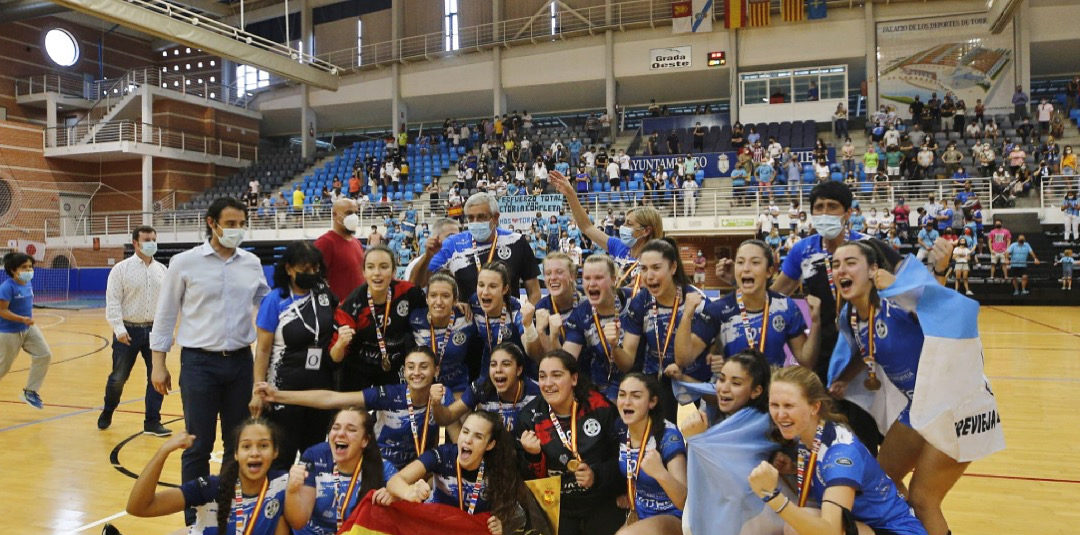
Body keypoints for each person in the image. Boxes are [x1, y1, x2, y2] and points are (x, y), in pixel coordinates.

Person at [826, 241, 1002, 535]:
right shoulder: (850, 317)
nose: (841, 269)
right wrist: (844, 377)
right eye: (835, 264)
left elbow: (943, 312)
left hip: (955, 404)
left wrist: (939, 271)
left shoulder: (900, 301)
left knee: (923, 499)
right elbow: (865, 349)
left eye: (850, 262)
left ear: (873, 270)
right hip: (919, 405)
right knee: (883, 481)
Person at [150, 197, 271, 522]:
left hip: (240, 364)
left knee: (239, 442)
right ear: (212, 223)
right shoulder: (184, 263)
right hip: (198, 364)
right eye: (231, 224)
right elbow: (165, 315)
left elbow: (267, 303)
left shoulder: (251, 263)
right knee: (197, 444)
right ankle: (195, 518)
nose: (237, 230)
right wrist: (158, 363)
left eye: (241, 224)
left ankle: (234, 512)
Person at [747, 366, 928, 535]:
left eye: (788, 406)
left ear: (814, 407)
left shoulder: (841, 454)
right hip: (869, 527)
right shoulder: (814, 436)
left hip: (896, 531)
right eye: (774, 405)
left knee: (798, 527)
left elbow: (830, 531)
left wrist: (772, 496)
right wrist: (794, 469)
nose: (780, 414)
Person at [256, 347, 454, 470]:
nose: (416, 373)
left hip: (419, 471)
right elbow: (332, 399)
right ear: (404, 370)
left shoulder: (444, 395)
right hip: (379, 469)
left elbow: (455, 435)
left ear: (436, 370)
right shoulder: (389, 394)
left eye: (424, 367)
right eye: (411, 367)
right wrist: (277, 395)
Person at [125, 419, 307, 534]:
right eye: (246, 446)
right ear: (235, 453)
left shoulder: (282, 484)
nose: (254, 453)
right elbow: (139, 507)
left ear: (275, 452)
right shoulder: (210, 488)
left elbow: (300, 523)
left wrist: (293, 490)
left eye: (263, 446)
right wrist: (162, 452)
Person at [515, 350, 624, 535]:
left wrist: (596, 475)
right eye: (542, 376)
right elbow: (530, 481)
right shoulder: (529, 417)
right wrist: (532, 457)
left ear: (574, 379)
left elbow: (622, 457)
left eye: (556, 375)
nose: (548, 383)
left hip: (600, 500)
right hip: (558, 506)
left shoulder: (599, 407)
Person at [251, 242, 338, 470]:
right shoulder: (275, 300)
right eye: (304, 268)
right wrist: (257, 391)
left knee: (316, 454)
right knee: (282, 455)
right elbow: (262, 350)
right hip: (282, 390)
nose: (310, 274)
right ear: (289, 269)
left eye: (314, 269)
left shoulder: (324, 295)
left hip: (319, 389)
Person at [676, 240, 815, 371]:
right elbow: (683, 359)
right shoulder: (717, 310)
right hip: (732, 392)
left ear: (769, 271)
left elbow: (806, 360)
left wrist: (816, 322)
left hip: (771, 392)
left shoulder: (785, 307)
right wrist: (687, 314)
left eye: (755, 262)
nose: (746, 269)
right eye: (740, 262)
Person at [615, 238, 711, 423]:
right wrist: (613, 346)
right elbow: (628, 358)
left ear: (673, 267)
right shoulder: (641, 302)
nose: (649, 275)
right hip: (656, 379)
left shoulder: (697, 302)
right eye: (643, 268)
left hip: (693, 380)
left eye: (656, 268)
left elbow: (694, 354)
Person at [388, 411, 526, 535]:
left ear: (489, 445)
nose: (467, 440)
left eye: (478, 436)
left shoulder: (498, 468)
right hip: (436, 527)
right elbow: (395, 480)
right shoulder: (442, 455)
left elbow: (518, 517)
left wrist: (502, 526)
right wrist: (408, 492)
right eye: (465, 432)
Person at [98, 226, 168, 433]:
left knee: (157, 376)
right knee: (118, 377)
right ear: (135, 243)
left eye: (154, 239)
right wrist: (118, 329)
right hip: (127, 332)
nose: (152, 243)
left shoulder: (162, 271)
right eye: (147, 239)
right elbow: (113, 302)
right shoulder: (121, 269)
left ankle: (152, 422)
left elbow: (167, 305)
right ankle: (108, 410)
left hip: (154, 331)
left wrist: (166, 331)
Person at [549, 170, 664, 296]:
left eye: (629, 224)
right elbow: (586, 227)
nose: (623, 227)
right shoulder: (619, 246)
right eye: (625, 222)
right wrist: (570, 194)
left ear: (646, 230)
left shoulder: (659, 259)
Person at [415, 193, 541, 304]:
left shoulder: (516, 241)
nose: (475, 222)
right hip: (467, 325)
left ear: (495, 218)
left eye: (481, 217)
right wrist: (427, 257)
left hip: (507, 324)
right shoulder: (452, 244)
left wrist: (525, 320)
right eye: (470, 218)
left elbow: (534, 292)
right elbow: (420, 283)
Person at [331, 245, 426, 390]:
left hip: (395, 366)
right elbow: (335, 357)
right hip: (358, 369)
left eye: (384, 267)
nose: (377, 273)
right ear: (363, 272)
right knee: (350, 411)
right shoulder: (350, 306)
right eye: (370, 267)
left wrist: (457, 305)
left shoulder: (408, 292)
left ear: (394, 271)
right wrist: (340, 344)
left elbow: (434, 308)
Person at [293, 408, 397, 535]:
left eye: (351, 429)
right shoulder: (315, 456)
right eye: (336, 428)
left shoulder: (382, 466)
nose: (341, 433)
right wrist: (291, 491)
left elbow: (404, 492)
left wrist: (395, 495)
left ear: (365, 440)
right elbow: (298, 521)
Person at [615, 373, 687, 534]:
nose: (627, 402)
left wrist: (660, 473)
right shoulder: (620, 428)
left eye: (636, 396)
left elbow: (684, 501)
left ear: (652, 402)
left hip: (673, 516)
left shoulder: (668, 436)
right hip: (640, 513)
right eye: (622, 395)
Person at [561, 255, 632, 401]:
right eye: (587, 278)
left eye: (598, 278)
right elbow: (567, 359)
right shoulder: (580, 314)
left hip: (636, 388)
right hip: (599, 394)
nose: (591, 284)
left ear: (614, 279)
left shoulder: (633, 302)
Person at [431, 342, 540, 436]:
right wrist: (436, 404)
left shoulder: (537, 391)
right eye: (493, 364)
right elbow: (446, 417)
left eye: (506, 364)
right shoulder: (481, 387)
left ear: (519, 370)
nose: (498, 370)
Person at [410, 272, 476, 405]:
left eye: (445, 296)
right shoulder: (414, 320)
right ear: (427, 298)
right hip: (424, 387)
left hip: (458, 386)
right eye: (433, 295)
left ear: (455, 300)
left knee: (460, 422)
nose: (438, 302)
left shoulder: (467, 319)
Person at [472, 262, 543, 376]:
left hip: (518, 376)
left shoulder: (516, 309)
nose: (485, 292)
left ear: (505, 289)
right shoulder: (474, 304)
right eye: (481, 285)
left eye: (493, 286)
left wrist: (528, 326)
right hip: (488, 374)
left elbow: (536, 355)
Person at [0, 251, 51, 409]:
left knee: (44, 354)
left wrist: (26, 321)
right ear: (13, 270)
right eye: (24, 267)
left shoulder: (27, 283)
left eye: (30, 267)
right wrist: (22, 319)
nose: (29, 270)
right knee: (3, 367)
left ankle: (30, 392)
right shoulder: (6, 288)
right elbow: (2, 311)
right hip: (9, 332)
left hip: (28, 329)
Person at [314, 198, 366, 302]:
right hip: (338, 312)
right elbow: (314, 280)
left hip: (359, 309)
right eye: (349, 213)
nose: (354, 217)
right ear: (334, 215)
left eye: (356, 213)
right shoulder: (325, 243)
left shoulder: (357, 243)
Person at [535, 253, 583, 353]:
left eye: (559, 272)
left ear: (572, 276)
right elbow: (548, 359)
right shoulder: (541, 308)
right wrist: (541, 332)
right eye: (548, 273)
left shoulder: (586, 301)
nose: (552, 277)